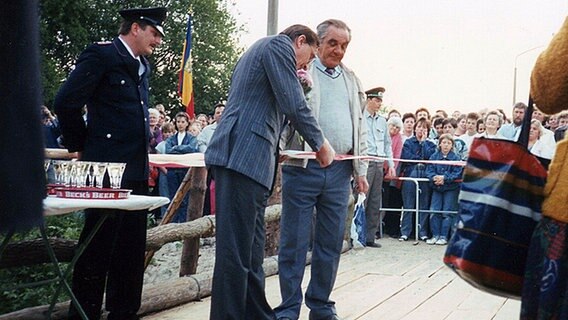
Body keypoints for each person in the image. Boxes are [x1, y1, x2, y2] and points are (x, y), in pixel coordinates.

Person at [204, 24, 334, 320]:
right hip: (241, 158)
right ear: (300, 41)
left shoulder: (263, 53)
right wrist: (320, 143)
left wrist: (302, 84)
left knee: (250, 254)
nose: (306, 65)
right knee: (235, 254)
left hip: (251, 162)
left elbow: (275, 107)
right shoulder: (277, 47)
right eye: (309, 57)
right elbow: (292, 103)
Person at [53, 7, 166, 320]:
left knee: (131, 248)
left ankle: (124, 312)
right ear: (135, 28)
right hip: (106, 170)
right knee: (98, 244)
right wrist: (78, 145)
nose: (158, 40)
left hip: (136, 167)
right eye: (154, 33)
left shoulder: (142, 65)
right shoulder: (102, 54)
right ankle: (84, 313)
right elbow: (66, 102)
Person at [276, 19, 368, 320]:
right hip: (303, 169)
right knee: (294, 242)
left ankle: (321, 305)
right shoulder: (301, 71)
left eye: (344, 46)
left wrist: (361, 170)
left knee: (330, 243)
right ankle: (289, 308)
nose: (339, 51)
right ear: (318, 42)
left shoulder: (353, 80)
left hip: (340, 174)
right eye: (333, 44)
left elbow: (360, 128)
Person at [362, 87, 395, 248]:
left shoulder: (382, 121)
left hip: (379, 162)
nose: (379, 104)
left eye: (381, 101)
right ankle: (357, 235)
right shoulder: (360, 117)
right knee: (363, 199)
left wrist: (391, 164)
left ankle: (370, 236)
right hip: (365, 161)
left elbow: (388, 144)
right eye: (376, 100)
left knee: (375, 201)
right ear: (369, 99)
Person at [398, 117, 437, 241]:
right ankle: (405, 232)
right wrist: (420, 159)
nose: (421, 130)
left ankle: (422, 232)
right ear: (415, 128)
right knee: (408, 205)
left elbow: (429, 158)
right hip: (411, 174)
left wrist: (423, 143)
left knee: (423, 205)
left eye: (424, 128)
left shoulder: (431, 144)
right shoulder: (408, 143)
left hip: (425, 175)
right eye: (419, 127)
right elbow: (407, 157)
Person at [425, 134, 462, 245]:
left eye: (449, 143)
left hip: (450, 188)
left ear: (452, 146)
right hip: (436, 188)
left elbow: (457, 173)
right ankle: (435, 235)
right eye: (444, 142)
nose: (446, 145)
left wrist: (445, 178)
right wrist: (434, 177)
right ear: (440, 144)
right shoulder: (434, 156)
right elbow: (429, 170)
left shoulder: (456, 158)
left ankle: (443, 236)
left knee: (447, 212)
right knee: (434, 211)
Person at [165, 111, 199, 223]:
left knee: (185, 198)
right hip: (172, 170)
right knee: (173, 197)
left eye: (183, 122)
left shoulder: (191, 138)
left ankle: (183, 223)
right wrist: (182, 149)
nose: (180, 124)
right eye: (178, 122)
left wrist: (177, 148)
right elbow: (168, 151)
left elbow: (191, 149)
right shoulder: (171, 138)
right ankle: (173, 223)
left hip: (185, 170)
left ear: (187, 123)